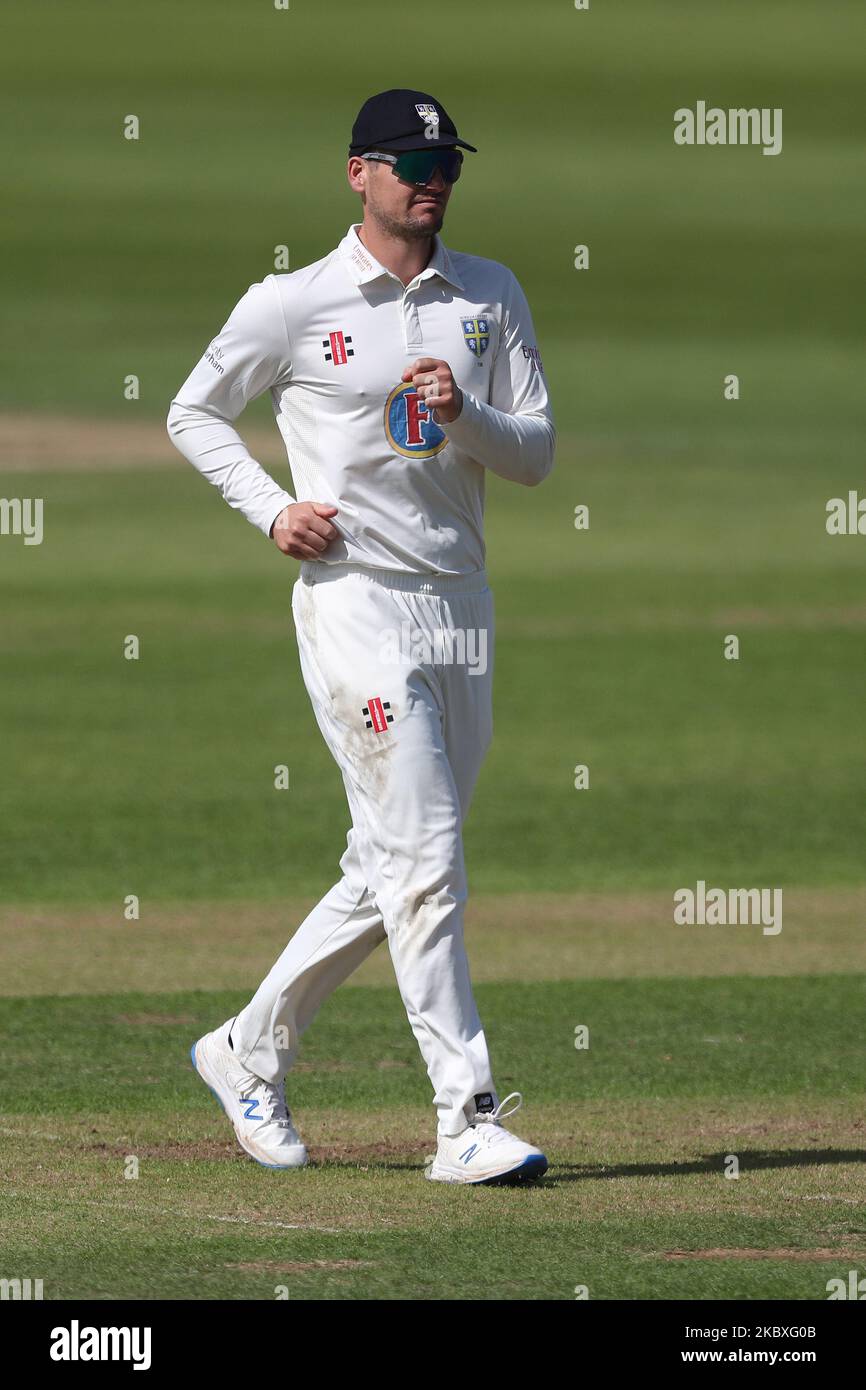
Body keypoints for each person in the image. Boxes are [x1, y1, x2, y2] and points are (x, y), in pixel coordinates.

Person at [167, 88, 555, 1184]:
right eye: (404, 163)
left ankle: (246, 1048)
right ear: (356, 174)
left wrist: (463, 415)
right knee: (426, 861)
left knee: (394, 861)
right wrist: (272, 510)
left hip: (460, 607)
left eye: (442, 165)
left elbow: (533, 455)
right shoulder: (293, 302)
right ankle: (463, 1117)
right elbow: (193, 409)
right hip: (354, 601)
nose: (427, 180)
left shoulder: (487, 293)